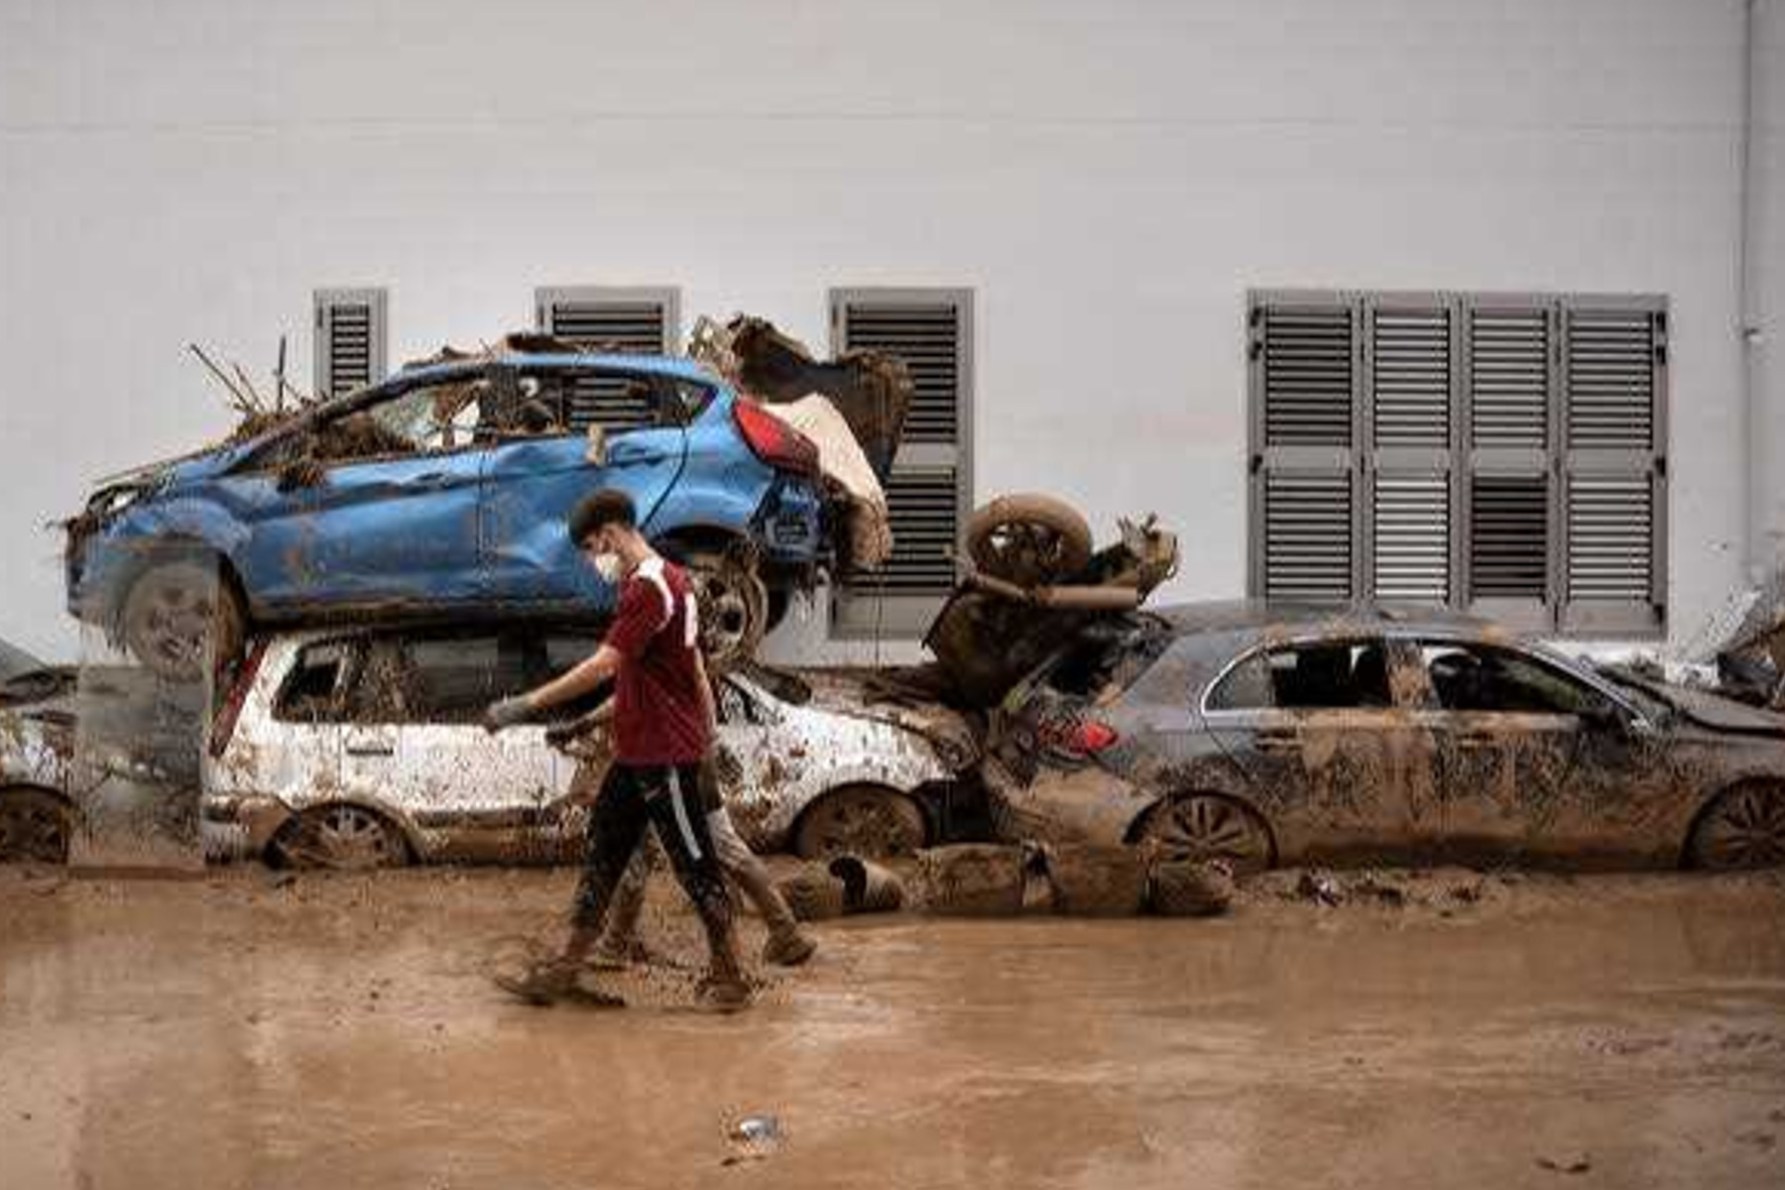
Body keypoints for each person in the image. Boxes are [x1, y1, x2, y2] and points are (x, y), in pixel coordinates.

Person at [484, 488, 751, 1011]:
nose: (592, 559)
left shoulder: (650, 589)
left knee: (695, 863)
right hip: (636, 754)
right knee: (603, 853)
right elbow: (685, 670)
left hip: (666, 755)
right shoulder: (674, 582)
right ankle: (565, 970)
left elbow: (605, 665)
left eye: (590, 547)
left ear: (609, 534)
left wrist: (526, 704)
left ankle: (731, 977)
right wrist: (710, 733)